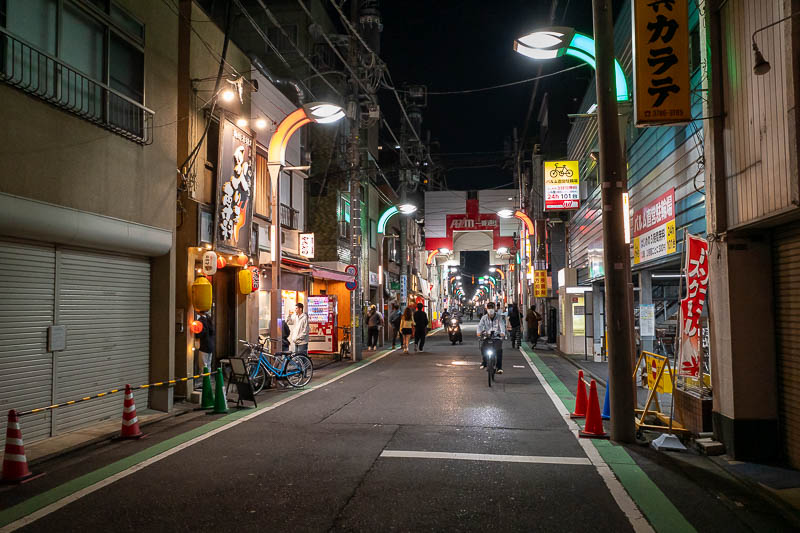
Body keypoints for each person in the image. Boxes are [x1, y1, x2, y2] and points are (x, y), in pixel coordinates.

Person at [477, 302, 506, 373]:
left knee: (499, 350)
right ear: (487, 309)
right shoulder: (484, 318)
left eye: (492, 308)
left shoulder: (499, 317)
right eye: (489, 308)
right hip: (487, 337)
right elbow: (480, 326)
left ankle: (499, 367)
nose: (490, 310)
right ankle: (484, 362)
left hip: (497, 337)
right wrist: (479, 332)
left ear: (494, 308)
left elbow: (502, 326)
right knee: (483, 348)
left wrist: (502, 333)